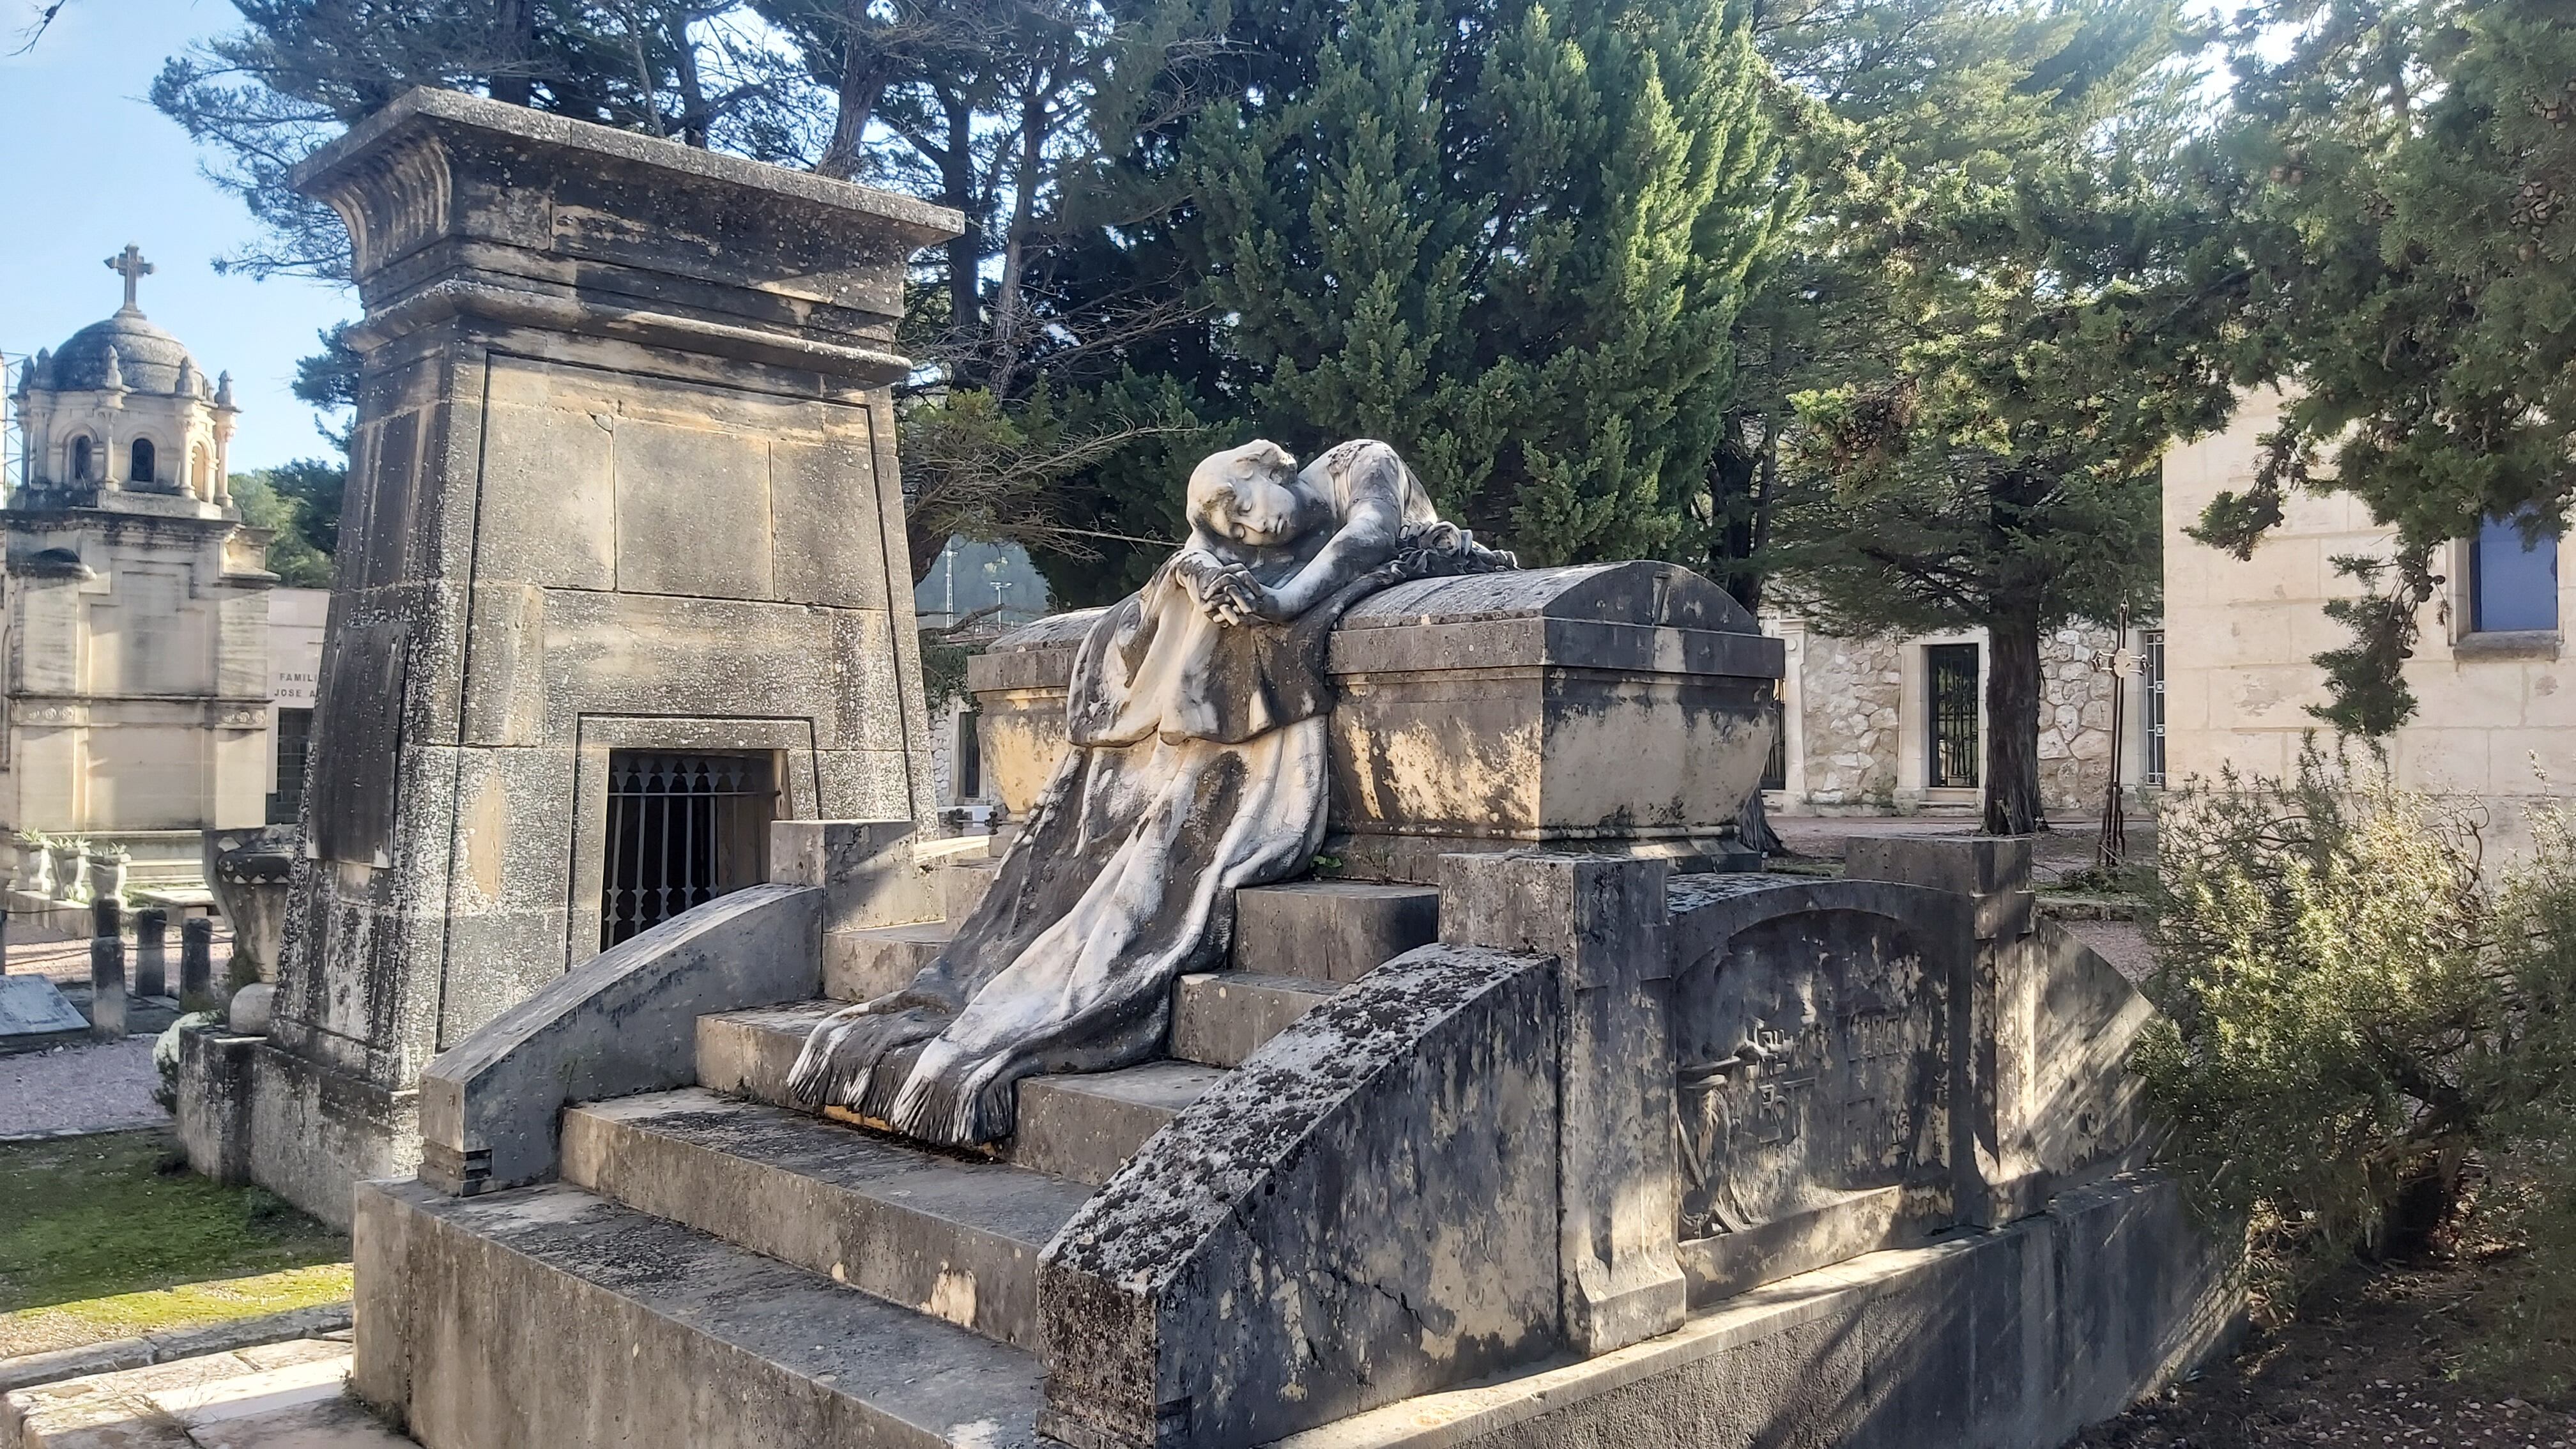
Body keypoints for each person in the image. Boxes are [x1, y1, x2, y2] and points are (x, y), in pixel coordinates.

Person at [788, 439, 1510, 1146]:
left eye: (1241, 505)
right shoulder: (1252, 545)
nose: (1252, 527)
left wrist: (1278, 601)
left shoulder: (1361, 464)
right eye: (1232, 526)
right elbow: (1176, 576)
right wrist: (1200, 569)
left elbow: (1372, 537)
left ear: (1262, 469)